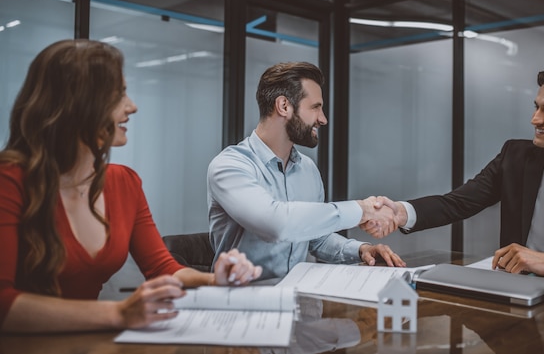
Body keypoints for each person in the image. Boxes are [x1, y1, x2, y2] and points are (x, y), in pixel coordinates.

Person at [0, 39, 262, 333]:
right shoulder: (10, 181)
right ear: (79, 104)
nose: (132, 106)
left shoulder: (124, 182)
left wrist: (216, 280)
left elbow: (163, 268)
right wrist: (119, 313)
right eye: (119, 94)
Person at [367, 65, 544, 276]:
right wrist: (401, 213)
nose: (535, 119)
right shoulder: (515, 156)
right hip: (516, 288)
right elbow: (456, 203)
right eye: (537, 106)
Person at [208, 61, 405, 281]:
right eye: (315, 107)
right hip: (244, 307)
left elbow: (316, 239)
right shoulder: (230, 165)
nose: (323, 119)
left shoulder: (308, 169)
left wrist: (360, 250)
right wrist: (361, 209)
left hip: (298, 302)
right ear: (284, 106)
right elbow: (277, 224)